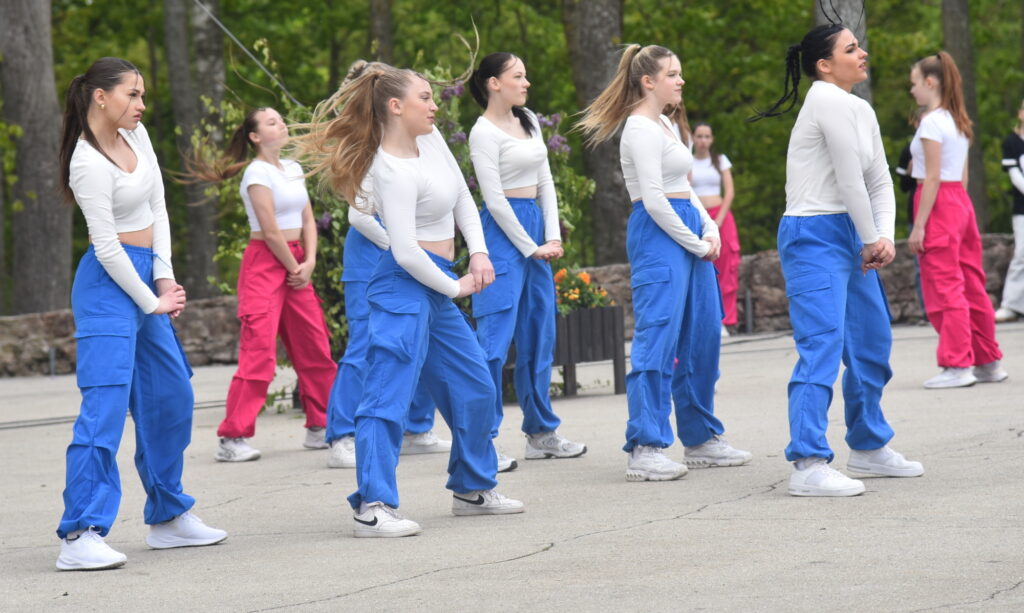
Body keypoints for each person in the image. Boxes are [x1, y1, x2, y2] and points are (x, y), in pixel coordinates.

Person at [296, 62, 524, 537]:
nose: (435, 105)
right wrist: (455, 287)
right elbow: (403, 251)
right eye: (425, 97)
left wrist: (479, 252)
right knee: (388, 395)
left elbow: (463, 197)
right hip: (403, 285)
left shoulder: (431, 139)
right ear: (396, 106)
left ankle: (472, 488)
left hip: (435, 282)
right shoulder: (388, 167)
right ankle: (372, 506)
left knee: (476, 386)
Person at [56, 57, 226, 570]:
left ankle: (168, 516)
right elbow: (106, 246)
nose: (141, 105)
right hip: (107, 287)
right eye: (132, 94)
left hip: (147, 275)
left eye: (143, 95)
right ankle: (80, 534)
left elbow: (158, 208)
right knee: (105, 408)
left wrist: (164, 276)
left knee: (171, 395)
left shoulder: (137, 136)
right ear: (100, 96)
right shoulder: (86, 161)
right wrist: (151, 301)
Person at [753, 24, 923, 496]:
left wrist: (881, 236)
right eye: (851, 48)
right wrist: (871, 238)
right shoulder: (824, 100)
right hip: (812, 233)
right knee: (822, 345)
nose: (863, 52)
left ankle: (867, 446)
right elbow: (849, 179)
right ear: (824, 65)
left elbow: (879, 179)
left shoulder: (860, 108)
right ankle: (808, 463)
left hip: (852, 230)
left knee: (871, 343)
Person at [578, 44, 752, 481]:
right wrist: (695, 243)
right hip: (659, 233)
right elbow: (654, 199)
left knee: (704, 335)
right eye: (672, 74)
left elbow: (683, 185)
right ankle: (645, 446)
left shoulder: (665, 123)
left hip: (688, 224)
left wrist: (709, 227)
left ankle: (700, 438)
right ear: (648, 81)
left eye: (680, 73)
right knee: (657, 338)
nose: (681, 80)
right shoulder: (638, 128)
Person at [322, 61, 452, 470]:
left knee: (423, 341)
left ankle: (417, 428)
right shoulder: (372, 147)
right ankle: (341, 435)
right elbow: (358, 216)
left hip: (409, 257)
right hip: (373, 261)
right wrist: (399, 245)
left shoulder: (417, 140)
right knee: (367, 346)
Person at [191, 107, 338, 461]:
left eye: (280, 119)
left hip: (298, 261)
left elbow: (307, 218)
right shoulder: (256, 173)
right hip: (266, 263)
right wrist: (294, 266)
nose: (281, 124)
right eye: (272, 122)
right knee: (259, 353)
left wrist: (309, 262)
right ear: (255, 136)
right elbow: (270, 231)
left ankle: (321, 427)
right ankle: (232, 439)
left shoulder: (293, 168)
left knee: (315, 346)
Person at [467, 52, 586, 473]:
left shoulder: (529, 119)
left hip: (535, 228)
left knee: (539, 334)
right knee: (493, 343)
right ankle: (481, 443)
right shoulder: (482, 133)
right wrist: (528, 247)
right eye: (518, 76)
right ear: (494, 83)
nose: (526, 82)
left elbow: (545, 181)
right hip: (502, 235)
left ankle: (541, 434)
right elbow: (494, 199)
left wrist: (551, 235)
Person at [908, 52, 1008, 388]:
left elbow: (932, 177)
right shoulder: (958, 120)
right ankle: (987, 361)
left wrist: (920, 225)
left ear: (930, 82)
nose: (912, 90)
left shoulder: (931, 122)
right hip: (959, 204)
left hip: (938, 202)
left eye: (915, 83)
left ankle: (956, 364)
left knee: (943, 284)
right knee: (971, 283)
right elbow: (960, 177)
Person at [690, 122, 740, 335]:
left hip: (721, 216)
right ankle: (704, 319)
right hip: (698, 217)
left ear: (712, 139)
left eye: (707, 136)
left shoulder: (720, 160)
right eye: (699, 136)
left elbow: (729, 192)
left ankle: (725, 320)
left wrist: (719, 219)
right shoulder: (687, 161)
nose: (703, 141)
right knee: (701, 265)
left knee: (726, 265)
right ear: (693, 138)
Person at [995, 98, 1024, 323]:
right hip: (1022, 210)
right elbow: (1016, 178)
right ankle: (1011, 304)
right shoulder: (1011, 142)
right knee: (1022, 254)